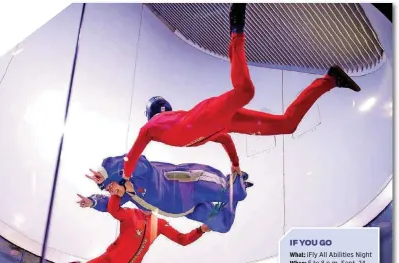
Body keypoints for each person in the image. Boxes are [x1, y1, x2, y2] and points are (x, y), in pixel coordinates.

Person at [122, 6, 360, 181]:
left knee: (245, 91)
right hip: (221, 124)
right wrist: (235, 165)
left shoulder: (151, 127)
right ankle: (331, 80)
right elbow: (224, 138)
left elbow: (131, 156)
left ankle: (236, 30)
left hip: (205, 116)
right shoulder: (161, 127)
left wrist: (124, 179)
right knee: (287, 125)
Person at [62, 193, 208, 263]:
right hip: (110, 259)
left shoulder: (159, 224)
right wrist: (110, 196)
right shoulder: (131, 214)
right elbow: (113, 209)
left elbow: (182, 240)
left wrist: (201, 230)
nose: (149, 204)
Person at [82, 154, 253, 234]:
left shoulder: (144, 173)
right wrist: (92, 202)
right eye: (108, 190)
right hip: (188, 210)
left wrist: (106, 171)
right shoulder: (128, 195)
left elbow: (137, 160)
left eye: (110, 186)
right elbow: (110, 205)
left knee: (238, 193)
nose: (111, 192)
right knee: (224, 225)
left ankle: (235, 181)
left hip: (192, 185)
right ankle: (237, 184)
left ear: (119, 176)